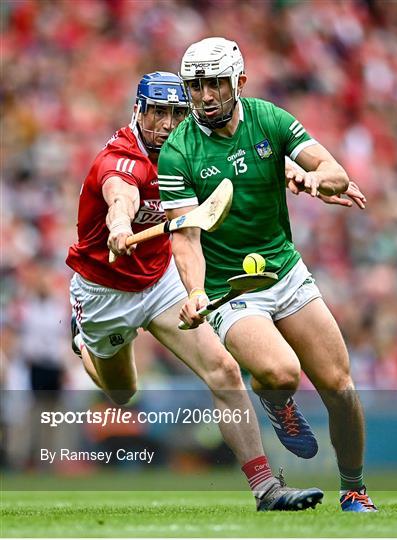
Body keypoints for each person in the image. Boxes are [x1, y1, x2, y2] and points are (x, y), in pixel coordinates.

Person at [66, 71, 324, 512]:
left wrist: (291, 172)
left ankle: (266, 489)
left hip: (162, 279)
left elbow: (237, 163)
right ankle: (82, 342)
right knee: (123, 392)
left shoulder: (188, 148)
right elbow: (119, 196)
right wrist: (121, 225)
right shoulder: (120, 159)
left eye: (176, 113)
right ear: (138, 110)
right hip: (103, 292)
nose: (167, 124)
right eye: (157, 113)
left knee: (223, 369)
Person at [157, 39, 377, 512]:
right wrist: (195, 291)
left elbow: (332, 168)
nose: (206, 95)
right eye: (195, 86)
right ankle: (277, 403)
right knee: (280, 373)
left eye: (215, 82)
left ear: (239, 80)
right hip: (230, 290)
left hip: (284, 270)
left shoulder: (268, 119)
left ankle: (355, 488)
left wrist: (318, 178)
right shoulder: (177, 152)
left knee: (340, 387)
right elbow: (186, 237)